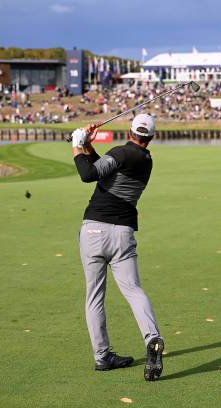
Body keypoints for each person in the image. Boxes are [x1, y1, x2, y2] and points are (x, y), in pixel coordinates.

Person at [70, 114, 164, 381]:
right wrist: (88, 146)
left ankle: (102, 356)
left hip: (93, 230)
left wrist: (77, 144)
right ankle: (152, 337)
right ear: (151, 137)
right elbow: (106, 168)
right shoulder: (145, 161)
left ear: (130, 130)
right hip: (122, 233)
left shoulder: (120, 153)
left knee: (95, 296)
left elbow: (89, 174)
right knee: (133, 290)